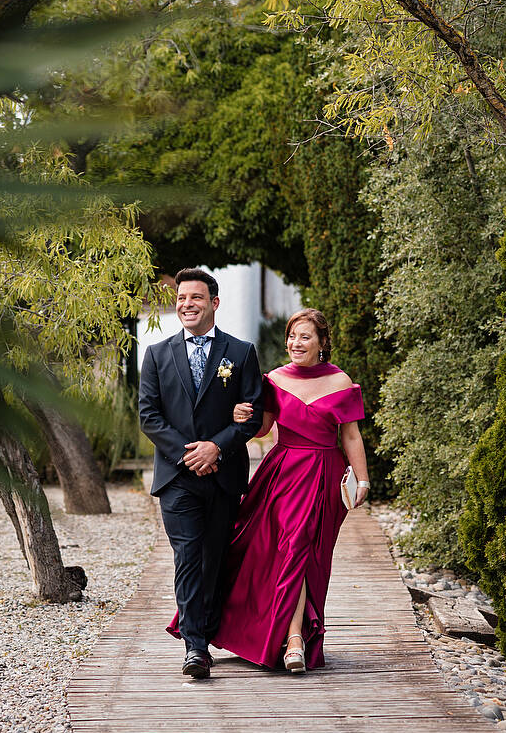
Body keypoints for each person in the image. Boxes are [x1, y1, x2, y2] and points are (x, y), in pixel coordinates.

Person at [212, 307, 370, 673]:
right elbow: (264, 429)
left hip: (325, 476)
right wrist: (236, 418)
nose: (295, 344)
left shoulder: (341, 382)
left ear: (322, 343)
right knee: (291, 548)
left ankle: (293, 636)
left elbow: (350, 435)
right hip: (283, 474)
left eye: (305, 337)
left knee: (310, 557)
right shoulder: (276, 379)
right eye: (292, 336)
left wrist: (362, 479)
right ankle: (295, 639)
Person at [139, 268, 263, 679]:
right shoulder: (156, 354)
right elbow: (149, 416)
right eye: (181, 298)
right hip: (177, 477)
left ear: (214, 302)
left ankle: (208, 631)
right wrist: (189, 453)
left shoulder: (241, 352)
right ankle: (195, 647)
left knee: (214, 558)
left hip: (223, 474)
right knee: (187, 556)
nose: (186, 304)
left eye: (195, 297)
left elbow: (253, 415)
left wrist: (217, 447)